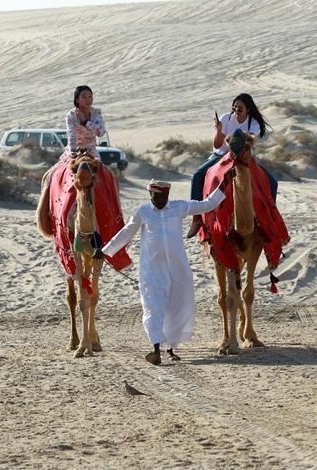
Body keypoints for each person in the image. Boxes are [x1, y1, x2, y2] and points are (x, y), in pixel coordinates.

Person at [100, 169, 237, 365]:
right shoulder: (143, 212)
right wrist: (105, 250)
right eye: (156, 196)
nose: (160, 200)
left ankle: (170, 348)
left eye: (163, 196)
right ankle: (156, 348)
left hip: (178, 270)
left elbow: (207, 205)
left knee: (176, 308)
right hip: (152, 271)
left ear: (168, 195)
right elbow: (126, 232)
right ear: (150, 195)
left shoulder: (178, 207)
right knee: (153, 307)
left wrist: (224, 182)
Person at [186, 93, 276, 238]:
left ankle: (271, 219)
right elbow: (217, 144)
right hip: (221, 155)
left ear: (248, 110)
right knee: (197, 176)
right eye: (234, 108)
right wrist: (220, 130)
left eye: (240, 109)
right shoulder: (225, 118)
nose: (236, 111)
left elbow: (251, 138)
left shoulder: (253, 122)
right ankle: (196, 219)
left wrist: (245, 138)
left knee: (272, 182)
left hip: (243, 156)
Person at [66, 85, 105, 158]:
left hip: (91, 150)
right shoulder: (71, 115)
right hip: (75, 150)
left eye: (90, 96)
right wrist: (73, 152)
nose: (88, 100)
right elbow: (71, 135)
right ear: (77, 100)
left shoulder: (96, 113)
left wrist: (86, 122)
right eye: (84, 97)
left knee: (98, 167)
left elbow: (101, 132)